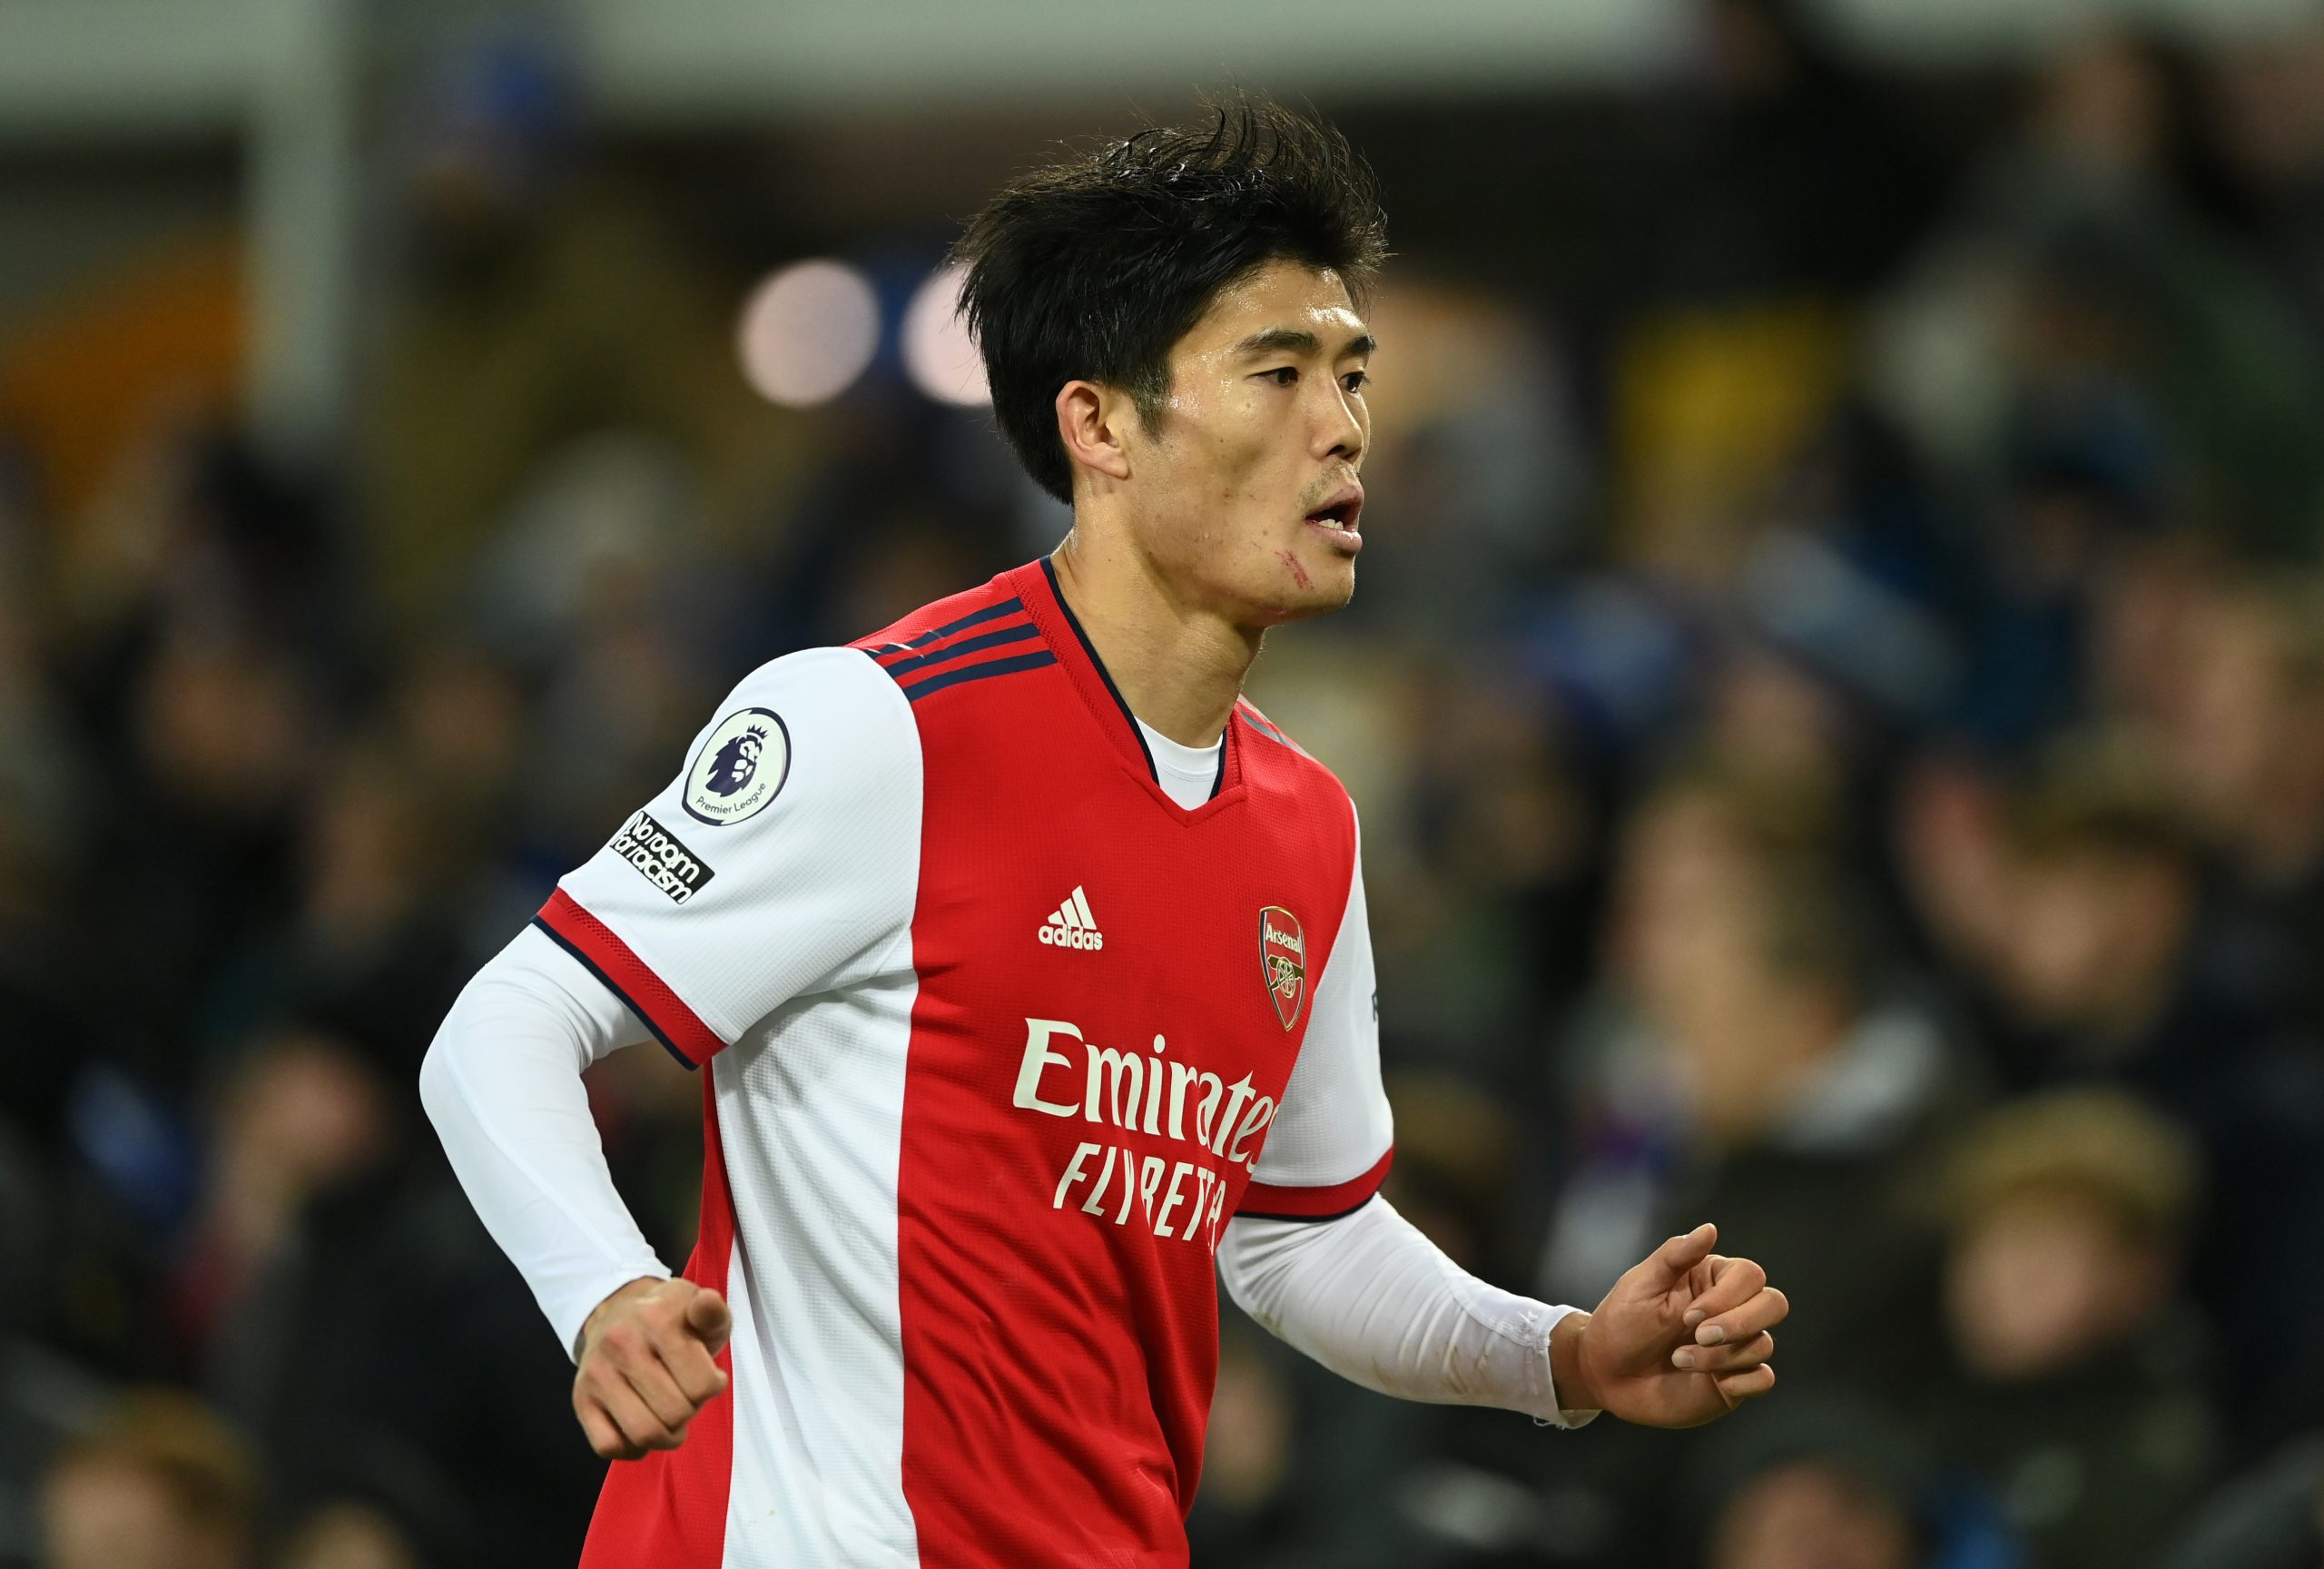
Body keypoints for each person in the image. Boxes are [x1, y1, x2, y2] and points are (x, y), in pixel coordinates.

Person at [420, 96, 1789, 1568]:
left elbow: (1297, 1231)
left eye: (1352, 374)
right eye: (1278, 373)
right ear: (1099, 425)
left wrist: (1565, 1358)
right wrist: (607, 1293)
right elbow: (505, 1025)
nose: (1344, 429)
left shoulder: (1310, 829)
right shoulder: (878, 727)